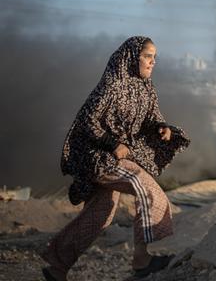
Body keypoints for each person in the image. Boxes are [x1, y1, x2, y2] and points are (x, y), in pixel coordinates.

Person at [41, 36, 190, 280]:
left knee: (101, 215)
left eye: (155, 57)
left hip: (117, 156)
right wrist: (112, 143)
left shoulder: (145, 86)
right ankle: (142, 261)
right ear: (132, 57)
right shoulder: (112, 84)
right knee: (146, 187)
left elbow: (152, 114)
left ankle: (56, 266)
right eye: (148, 56)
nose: (153, 62)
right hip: (98, 158)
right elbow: (87, 120)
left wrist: (162, 125)